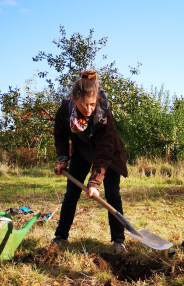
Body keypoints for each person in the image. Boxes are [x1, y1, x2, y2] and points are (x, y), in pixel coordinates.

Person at [52, 69, 130, 254]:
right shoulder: (64, 111)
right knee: (71, 194)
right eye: (84, 105)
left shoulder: (103, 114)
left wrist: (94, 182)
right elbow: (60, 135)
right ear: (73, 99)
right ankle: (60, 237)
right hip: (83, 152)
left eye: (92, 104)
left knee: (112, 195)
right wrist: (63, 160)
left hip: (108, 154)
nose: (89, 109)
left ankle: (118, 241)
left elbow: (104, 150)